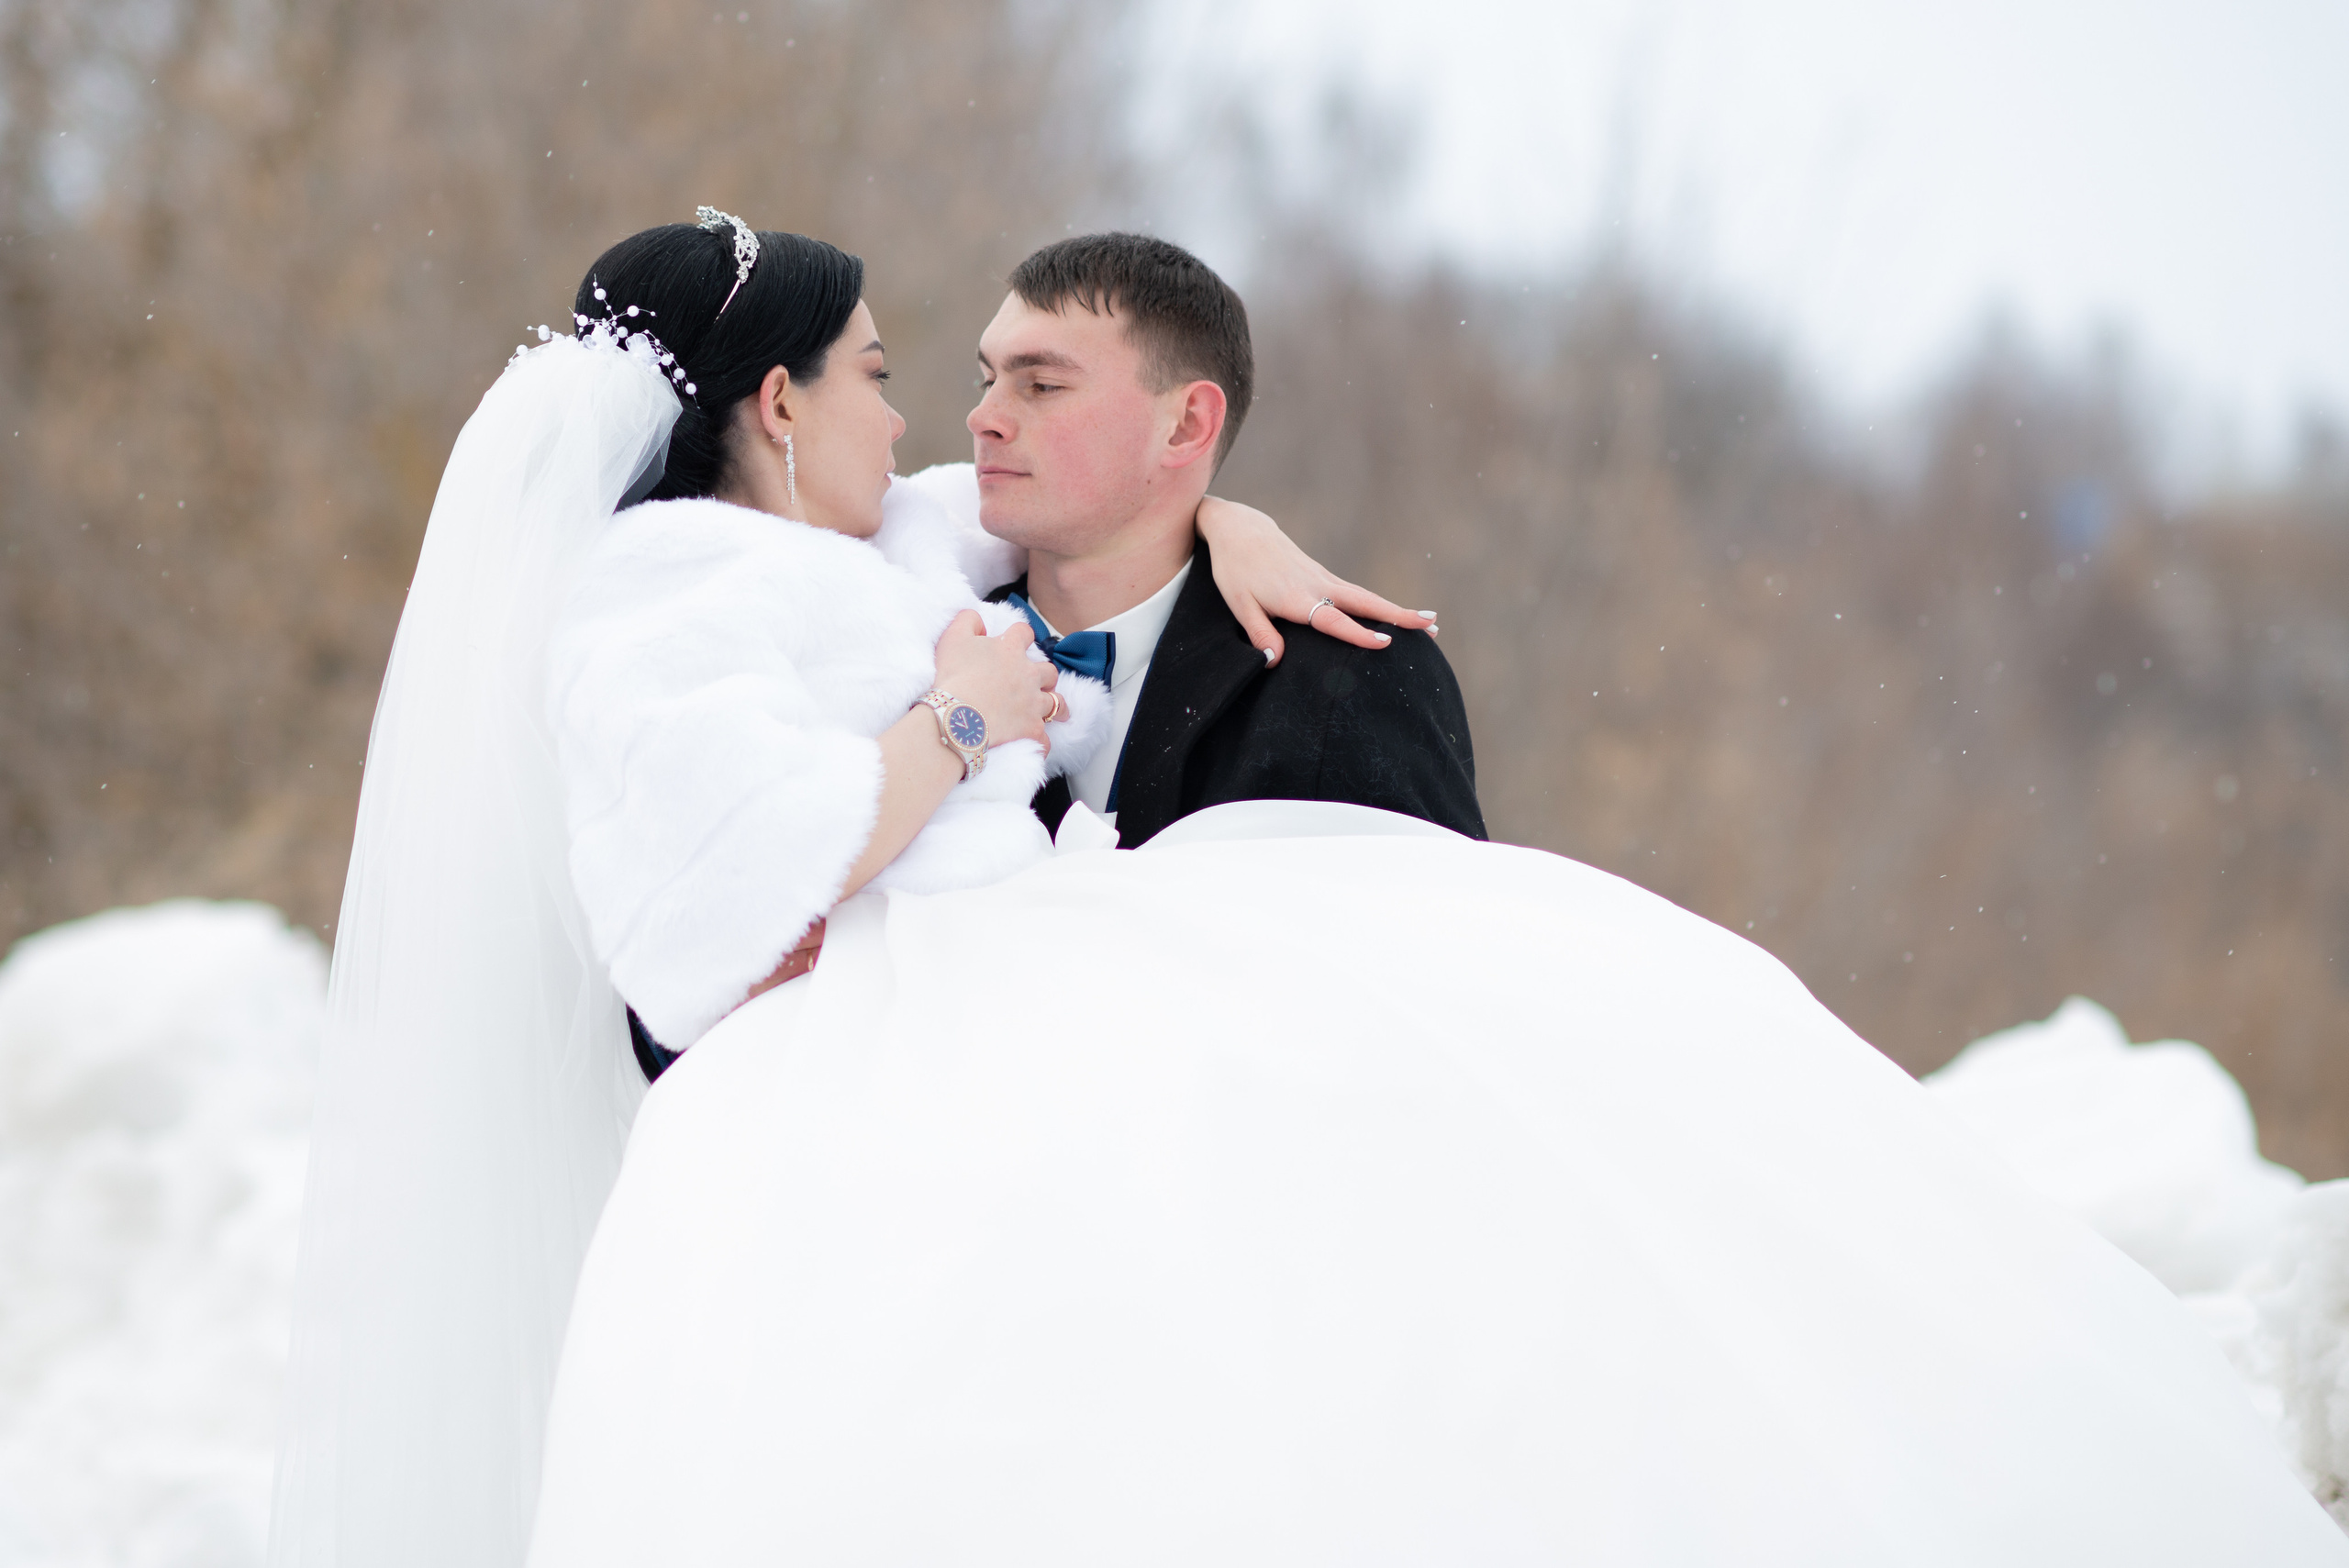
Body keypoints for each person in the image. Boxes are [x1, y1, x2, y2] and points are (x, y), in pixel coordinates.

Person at [274, 213, 2349, 1568]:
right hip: (865, 1087)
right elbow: (714, 893)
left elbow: (1031, 526)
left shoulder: (868, 553)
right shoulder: (661, 604)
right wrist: (963, 737)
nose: (940, 419)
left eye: (1002, 381)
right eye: (901, 371)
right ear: (774, 403)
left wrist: (1224, 515)